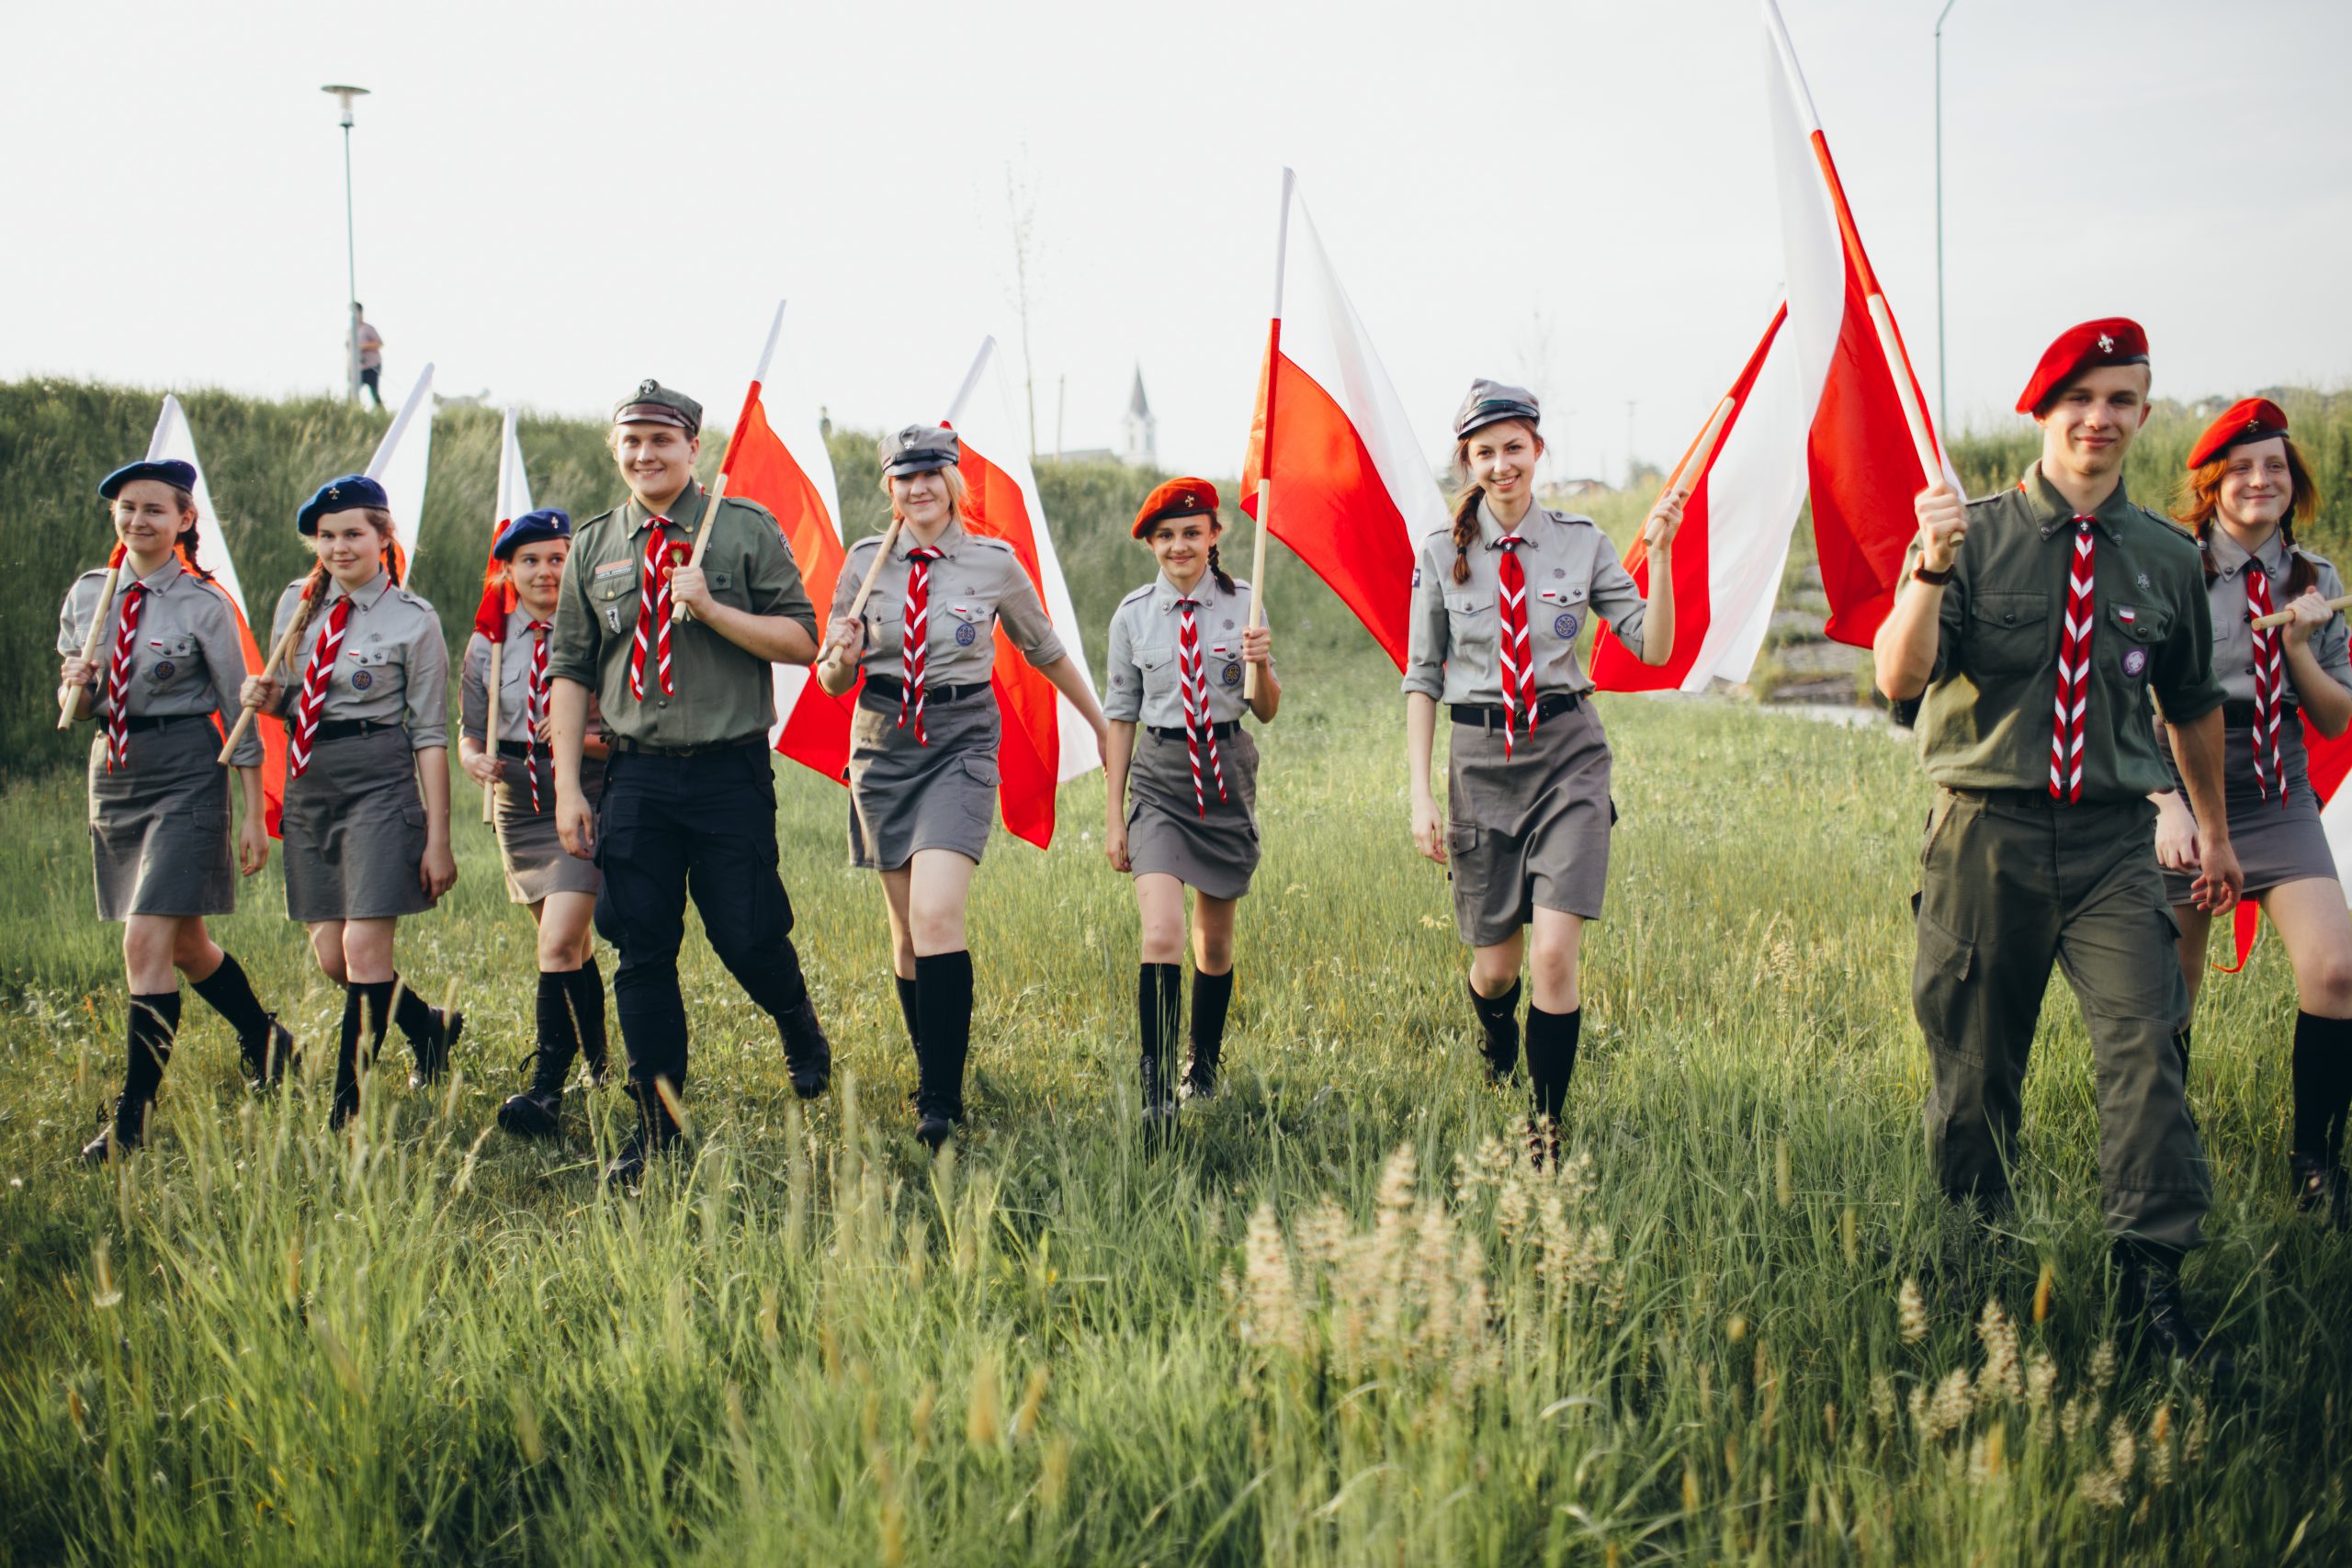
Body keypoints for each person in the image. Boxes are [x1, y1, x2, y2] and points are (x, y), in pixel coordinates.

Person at [1873, 319, 2241, 1366]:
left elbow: (2190, 702)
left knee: (2148, 1052)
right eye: (2080, 399)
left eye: (2121, 398)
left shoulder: (2167, 559)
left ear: (2141, 412)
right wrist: (1929, 568)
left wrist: (2210, 832)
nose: (2099, 418)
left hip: (2112, 847)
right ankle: (1972, 1272)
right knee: (1976, 1069)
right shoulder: (1970, 534)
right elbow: (1897, 680)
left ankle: (2151, 1294)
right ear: (2044, 412)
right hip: (1984, 835)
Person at [546, 379, 832, 1189]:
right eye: (632, 442)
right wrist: (570, 786)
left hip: (727, 769)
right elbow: (570, 668)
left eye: (662, 441)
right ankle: (658, 1123)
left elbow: (802, 640)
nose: (646, 456)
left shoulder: (740, 532)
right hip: (635, 775)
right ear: (617, 450)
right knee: (642, 946)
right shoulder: (596, 544)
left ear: (692, 449)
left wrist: (710, 609)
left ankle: (796, 1023)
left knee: (745, 934)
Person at [1402, 380, 1683, 1161]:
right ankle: (1494, 1036)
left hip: (1568, 759)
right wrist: (1421, 792)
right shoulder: (1439, 552)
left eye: (1514, 447)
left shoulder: (1583, 542)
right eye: (1485, 452)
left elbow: (1651, 646)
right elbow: (1423, 675)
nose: (1502, 465)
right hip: (1481, 765)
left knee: (1555, 953)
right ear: (1468, 460)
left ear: (1538, 449)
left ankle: (1546, 1131)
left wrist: (1656, 555)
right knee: (1495, 969)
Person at [814, 425, 1109, 1150]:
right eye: (904, 478)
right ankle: (930, 1066)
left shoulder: (991, 563)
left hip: (960, 743)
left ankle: (941, 1100)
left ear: (953, 481)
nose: (919, 489)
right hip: (882, 748)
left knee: (939, 913)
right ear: (890, 487)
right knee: (908, 933)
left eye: (931, 475)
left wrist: (1102, 725)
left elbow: (1045, 649)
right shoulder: (864, 565)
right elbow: (831, 679)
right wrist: (842, 655)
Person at [2150, 398, 2352, 1225]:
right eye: (2241, 467)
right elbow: (2127, 697)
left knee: (2337, 970)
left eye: (2274, 465)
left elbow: (2337, 719)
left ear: (2292, 479)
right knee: (2175, 990)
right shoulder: (2170, 567)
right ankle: (2165, 1153)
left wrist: (2299, 644)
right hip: (2177, 787)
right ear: (2212, 483)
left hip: (2276, 790)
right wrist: (2166, 803)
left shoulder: (2318, 579)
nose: (2259, 480)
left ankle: (2317, 1163)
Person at [59, 459, 295, 1162]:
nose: (139, 521)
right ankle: (266, 1038)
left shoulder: (203, 603)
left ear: (185, 520)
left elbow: (243, 712)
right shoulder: (88, 594)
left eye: (155, 510)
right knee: (184, 944)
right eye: (128, 508)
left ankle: (132, 1120)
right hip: (116, 772)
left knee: (143, 942)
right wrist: (76, 683)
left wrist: (253, 814)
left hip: (187, 771)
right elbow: (74, 705)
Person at [242, 475, 462, 1129]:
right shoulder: (297, 604)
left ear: (383, 536)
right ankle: (430, 1028)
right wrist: (268, 696)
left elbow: (427, 733)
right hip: (314, 782)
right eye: (327, 536)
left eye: (353, 534)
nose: (338, 548)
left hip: (378, 779)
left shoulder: (413, 619)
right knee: (334, 958)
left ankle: (348, 1109)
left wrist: (437, 835)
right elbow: (289, 697)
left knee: (366, 952)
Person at [1102, 478, 1278, 1121]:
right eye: (1167, 535)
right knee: (1161, 930)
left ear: (1214, 536)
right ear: (1152, 542)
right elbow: (1121, 715)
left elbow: (1265, 709)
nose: (1180, 546)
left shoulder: (1244, 604)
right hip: (1160, 776)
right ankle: (1155, 1097)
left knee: (1216, 943)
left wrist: (1262, 665)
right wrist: (1114, 815)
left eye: (1192, 532)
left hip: (1225, 771)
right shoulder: (1132, 615)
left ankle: (1201, 1065)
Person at [458, 509, 612, 1140]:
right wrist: (473, 758)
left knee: (555, 944)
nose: (545, 571)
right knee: (569, 947)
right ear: (509, 569)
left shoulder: (603, 626)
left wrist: (587, 735)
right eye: (530, 560)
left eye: (557, 557)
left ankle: (548, 1087)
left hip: (585, 799)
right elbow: (469, 733)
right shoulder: (487, 643)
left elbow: (635, 726)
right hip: (518, 808)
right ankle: (599, 1058)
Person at [354, 305, 384, 411]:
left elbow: (379, 344)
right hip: (358, 368)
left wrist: (362, 346)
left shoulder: (367, 329)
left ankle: (381, 413)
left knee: (374, 392)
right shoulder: (351, 331)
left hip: (372, 366)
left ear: (360, 313)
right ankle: (356, 412)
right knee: (353, 392)